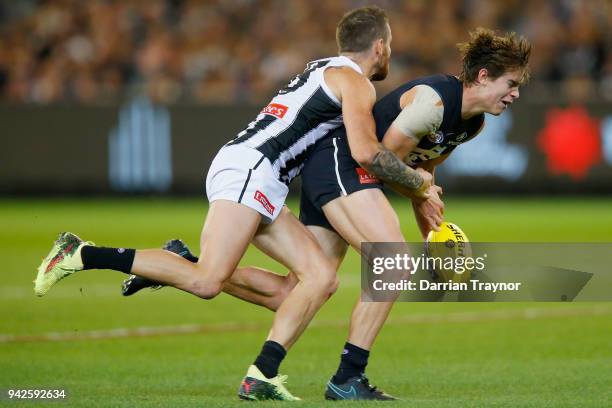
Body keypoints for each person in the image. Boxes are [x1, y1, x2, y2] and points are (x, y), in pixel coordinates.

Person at [34, 6, 434, 401]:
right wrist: (418, 185)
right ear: (379, 46)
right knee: (207, 282)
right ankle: (83, 253)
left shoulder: (322, 68)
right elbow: (365, 151)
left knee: (310, 283)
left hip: (261, 175)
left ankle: (260, 373)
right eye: (391, 45)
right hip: (252, 168)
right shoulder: (356, 82)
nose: (391, 53)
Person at [122, 27, 531, 400]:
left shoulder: (470, 123)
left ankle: (184, 268)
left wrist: (432, 235)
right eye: (510, 84)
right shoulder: (434, 102)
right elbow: (382, 159)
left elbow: (422, 176)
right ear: (482, 76)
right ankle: (348, 377)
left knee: (296, 286)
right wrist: (421, 190)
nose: (514, 94)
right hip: (345, 164)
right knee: (391, 261)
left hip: (338, 171)